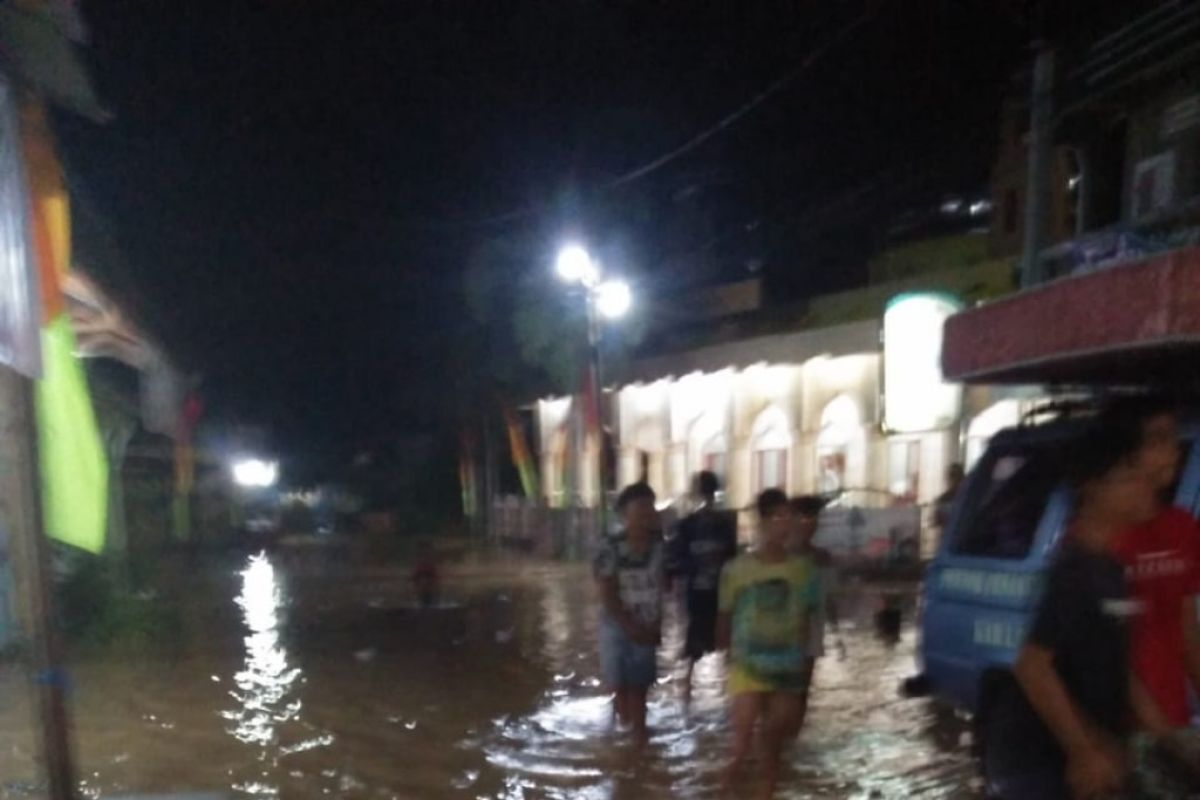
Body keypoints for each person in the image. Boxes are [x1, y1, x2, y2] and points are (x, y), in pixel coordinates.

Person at [999, 417, 1161, 800]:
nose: (1146, 485)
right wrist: (1083, 752)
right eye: (1130, 475)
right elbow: (1032, 665)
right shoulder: (1076, 571)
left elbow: (1117, 664)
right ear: (1093, 488)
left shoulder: (1109, 567)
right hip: (1044, 766)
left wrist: (1162, 733)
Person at [1105, 396, 1200, 788]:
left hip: (1171, 723)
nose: (1173, 451)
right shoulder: (1102, 537)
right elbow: (1109, 649)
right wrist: (1159, 732)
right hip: (1116, 733)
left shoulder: (1183, 529)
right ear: (1129, 451)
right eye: (1158, 440)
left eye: (1173, 440)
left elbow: (1186, 629)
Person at [718, 489, 819, 800]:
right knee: (742, 742)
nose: (785, 525)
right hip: (746, 665)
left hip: (787, 666)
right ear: (761, 522)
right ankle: (723, 791)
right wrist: (726, 657)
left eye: (789, 517)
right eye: (777, 517)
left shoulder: (804, 570)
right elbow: (724, 616)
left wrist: (805, 665)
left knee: (773, 743)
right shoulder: (736, 569)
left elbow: (808, 619)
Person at [594, 481, 664, 745]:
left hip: (646, 623)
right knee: (620, 685)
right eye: (641, 508)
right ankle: (627, 741)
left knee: (640, 687)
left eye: (651, 507)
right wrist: (629, 626)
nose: (648, 513)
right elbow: (606, 592)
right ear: (625, 514)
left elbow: (660, 586)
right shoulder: (609, 547)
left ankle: (637, 742)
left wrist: (656, 625)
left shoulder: (659, 546)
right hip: (616, 625)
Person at [670, 471, 739, 703]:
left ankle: (687, 696)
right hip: (712, 592)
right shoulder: (723, 522)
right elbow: (732, 559)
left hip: (703, 593)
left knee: (695, 644)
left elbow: (678, 561)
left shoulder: (690, 524)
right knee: (719, 640)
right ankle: (730, 692)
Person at [788, 495, 837, 727]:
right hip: (782, 631)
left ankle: (793, 735)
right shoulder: (780, 556)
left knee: (802, 689)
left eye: (813, 518)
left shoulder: (823, 558)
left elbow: (829, 597)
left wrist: (836, 630)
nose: (809, 523)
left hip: (812, 631)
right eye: (804, 517)